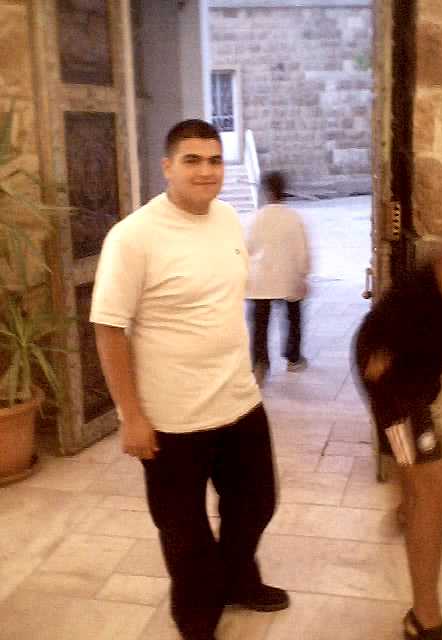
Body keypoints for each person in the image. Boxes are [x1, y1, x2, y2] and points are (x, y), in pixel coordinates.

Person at [90, 119, 289, 640]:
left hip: (238, 400)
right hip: (172, 419)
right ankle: (196, 615)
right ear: (167, 167)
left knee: (257, 504)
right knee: (184, 529)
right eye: (192, 160)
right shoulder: (133, 237)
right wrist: (131, 416)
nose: (206, 171)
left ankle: (237, 579)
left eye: (214, 160)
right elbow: (108, 329)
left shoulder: (227, 219)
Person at [352, 232, 442, 640]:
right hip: (389, 371)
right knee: (434, 488)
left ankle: (407, 509)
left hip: (414, 370)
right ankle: (423, 620)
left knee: (415, 468)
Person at [246, 171, 310, 386]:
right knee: (293, 317)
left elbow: (247, 248)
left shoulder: (257, 218)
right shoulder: (294, 218)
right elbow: (302, 250)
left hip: (260, 280)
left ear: (266, 192)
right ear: (284, 190)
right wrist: (304, 274)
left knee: (260, 324)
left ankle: (260, 363)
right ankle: (293, 358)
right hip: (288, 277)